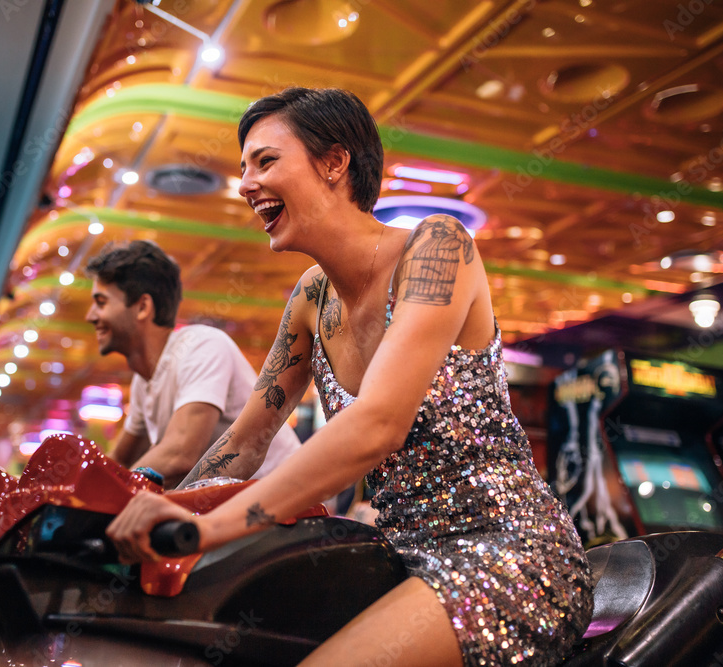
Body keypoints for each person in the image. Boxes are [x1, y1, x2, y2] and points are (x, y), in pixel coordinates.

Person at [106, 88, 593, 666]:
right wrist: (170, 514)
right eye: (242, 168)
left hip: (506, 552)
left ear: (335, 163)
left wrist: (205, 529)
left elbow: (379, 424)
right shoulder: (311, 297)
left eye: (265, 161)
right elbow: (245, 440)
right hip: (393, 554)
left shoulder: (437, 246)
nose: (244, 184)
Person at [85, 240, 302, 489]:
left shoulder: (200, 345)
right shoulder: (143, 383)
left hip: (294, 508)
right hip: (238, 509)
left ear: (143, 307)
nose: (90, 316)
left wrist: (108, 492)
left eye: (101, 302)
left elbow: (179, 455)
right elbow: (120, 462)